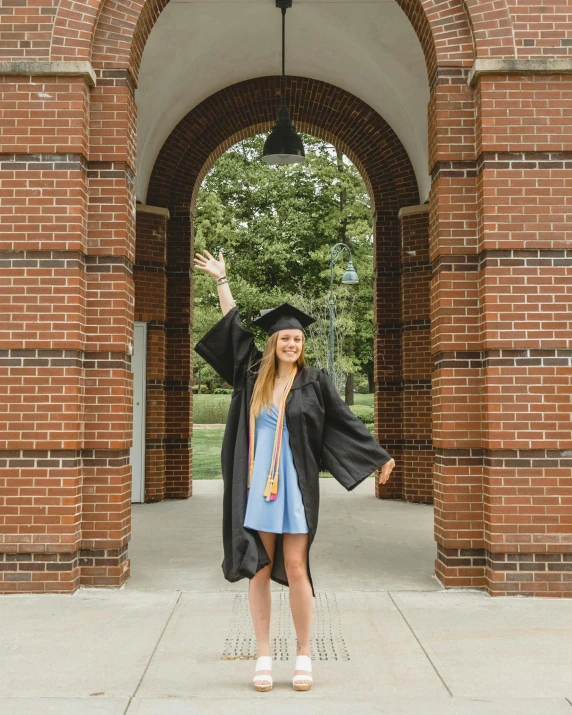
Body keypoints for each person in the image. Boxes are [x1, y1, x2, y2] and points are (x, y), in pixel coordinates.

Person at [193, 249, 395, 693]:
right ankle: (263, 656)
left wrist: (378, 456)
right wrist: (221, 281)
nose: (291, 344)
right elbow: (234, 332)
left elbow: (344, 422)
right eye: (285, 339)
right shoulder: (252, 374)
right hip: (257, 489)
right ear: (273, 343)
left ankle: (303, 654)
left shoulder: (316, 381)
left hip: (295, 488)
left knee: (297, 565)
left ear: (303, 344)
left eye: (297, 340)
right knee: (259, 568)